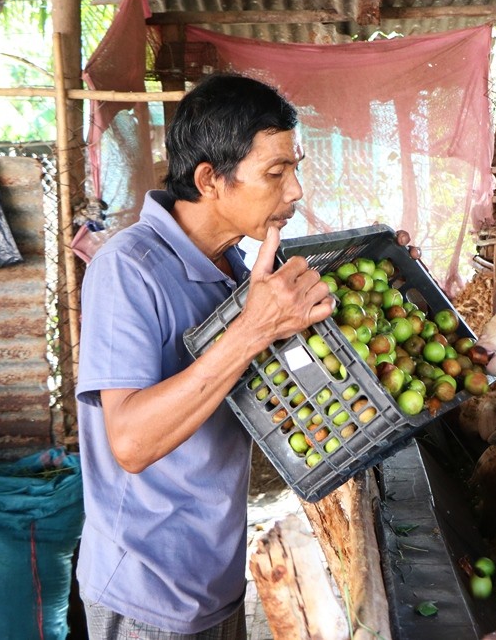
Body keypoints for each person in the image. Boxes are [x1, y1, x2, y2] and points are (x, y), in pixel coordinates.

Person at [75, 72, 335, 638]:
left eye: (295, 168)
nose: (295, 191)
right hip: (145, 591)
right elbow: (131, 443)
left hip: (215, 579)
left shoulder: (239, 271)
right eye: (275, 172)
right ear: (209, 180)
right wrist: (250, 330)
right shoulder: (127, 269)